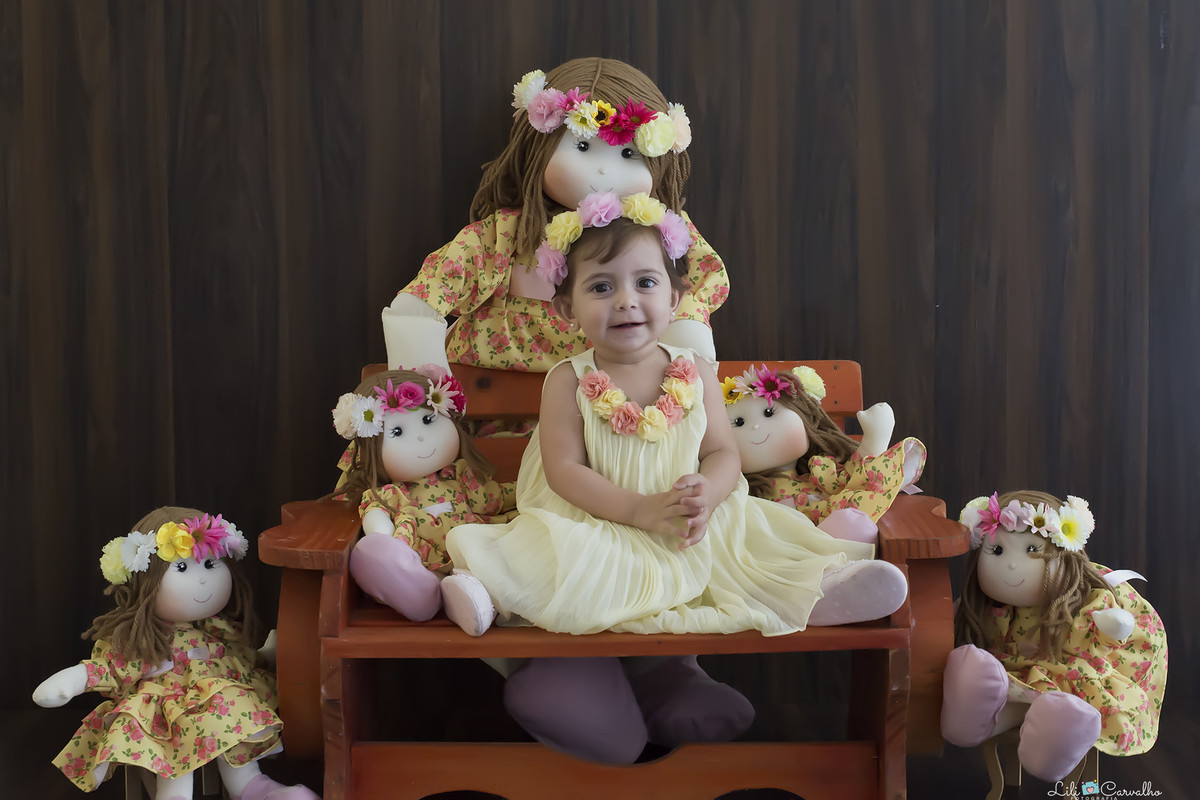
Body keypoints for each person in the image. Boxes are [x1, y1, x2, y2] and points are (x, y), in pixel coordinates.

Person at [443, 193, 909, 760]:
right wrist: (638, 511)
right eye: (600, 287)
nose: (625, 302)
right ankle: (502, 604)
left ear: (676, 296)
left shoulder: (696, 373)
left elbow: (723, 453)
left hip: (688, 519)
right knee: (571, 560)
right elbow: (565, 472)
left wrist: (709, 492)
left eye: (645, 282)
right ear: (565, 307)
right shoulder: (566, 379)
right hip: (601, 518)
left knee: (753, 538)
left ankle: (815, 587)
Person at [382, 57, 728, 373]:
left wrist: (687, 375)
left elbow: (698, 291)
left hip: (612, 419)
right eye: (582, 147)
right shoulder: (507, 235)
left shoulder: (662, 230)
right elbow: (426, 298)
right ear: (537, 149)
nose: (604, 172)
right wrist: (424, 395)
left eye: (627, 152)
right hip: (497, 415)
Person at [32, 507, 319, 800]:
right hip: (163, 710)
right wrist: (74, 679)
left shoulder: (218, 630)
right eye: (181, 568)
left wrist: (268, 654)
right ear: (145, 582)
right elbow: (112, 668)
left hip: (218, 702)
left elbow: (239, 659)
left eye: (210, 564)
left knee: (231, 710)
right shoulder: (146, 640)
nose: (204, 580)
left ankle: (252, 788)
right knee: (171, 738)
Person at [942, 490, 1168, 782]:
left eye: (1032, 550)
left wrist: (1115, 624)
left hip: (1067, 680)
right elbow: (951, 621)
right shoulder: (984, 609)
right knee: (991, 685)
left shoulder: (1081, 605)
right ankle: (971, 714)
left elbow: (1103, 637)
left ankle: (1057, 735)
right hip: (1008, 676)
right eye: (997, 551)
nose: (1011, 565)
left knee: (1059, 708)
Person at [331, 366, 515, 628]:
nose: (420, 437)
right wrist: (381, 540)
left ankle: (472, 596)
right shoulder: (391, 494)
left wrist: (531, 490)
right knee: (380, 553)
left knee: (497, 555)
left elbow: (495, 499)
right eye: (397, 432)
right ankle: (427, 594)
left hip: (475, 552)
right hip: (422, 561)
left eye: (429, 420)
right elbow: (378, 523)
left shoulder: (462, 477)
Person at [727, 364, 926, 543]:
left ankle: (845, 564)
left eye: (769, 413)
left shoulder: (819, 470)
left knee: (851, 516)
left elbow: (850, 480)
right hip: (777, 544)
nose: (755, 427)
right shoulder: (740, 491)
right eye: (739, 422)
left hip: (827, 532)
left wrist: (873, 442)